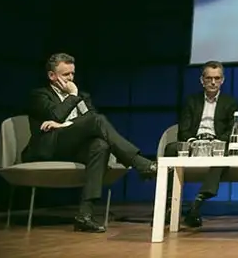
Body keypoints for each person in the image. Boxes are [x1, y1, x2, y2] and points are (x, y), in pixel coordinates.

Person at [22, 53, 157, 233]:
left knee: (100, 146)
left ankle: (84, 215)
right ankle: (140, 163)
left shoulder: (82, 96)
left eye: (72, 74)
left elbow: (86, 123)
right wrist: (73, 96)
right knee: (98, 120)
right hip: (51, 146)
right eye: (65, 75)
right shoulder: (40, 95)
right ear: (51, 76)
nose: (71, 79)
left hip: (75, 147)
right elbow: (56, 115)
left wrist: (65, 124)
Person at [162, 60, 238, 227]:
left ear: (222, 80)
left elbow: (232, 129)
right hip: (194, 143)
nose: (213, 82)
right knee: (170, 148)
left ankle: (198, 202)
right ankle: (169, 205)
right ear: (201, 80)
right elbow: (184, 128)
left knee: (222, 154)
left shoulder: (230, 102)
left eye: (217, 78)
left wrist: (218, 142)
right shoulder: (191, 101)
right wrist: (193, 142)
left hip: (216, 144)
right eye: (209, 78)